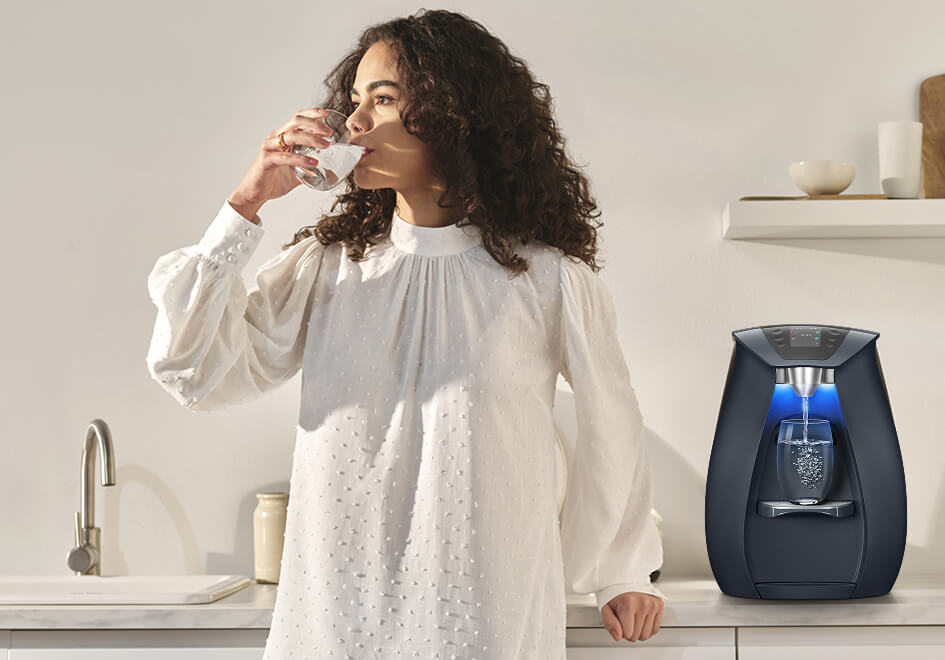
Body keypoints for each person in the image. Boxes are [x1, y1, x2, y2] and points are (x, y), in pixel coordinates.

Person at [146, 8, 664, 659]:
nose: (354, 122)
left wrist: (620, 570)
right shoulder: (326, 270)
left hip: (483, 617)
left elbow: (609, 418)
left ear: (457, 114)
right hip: (334, 621)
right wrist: (244, 206)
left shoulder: (544, 279)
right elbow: (197, 375)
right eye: (354, 99)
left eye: (382, 98)